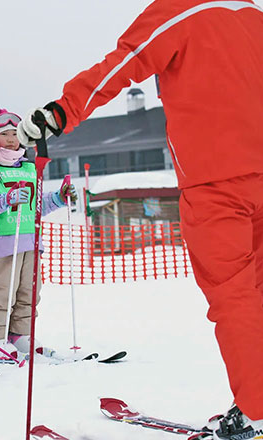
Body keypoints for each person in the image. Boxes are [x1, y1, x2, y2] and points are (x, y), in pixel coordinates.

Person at [16, 1, 263, 438]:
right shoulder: (253, 16)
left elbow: (123, 65)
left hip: (216, 181)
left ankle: (258, 409)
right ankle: (254, 396)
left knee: (235, 297)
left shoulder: (180, 11)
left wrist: (62, 111)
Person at [0, 108, 76, 359]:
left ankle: (20, 335)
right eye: (4, 133)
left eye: (15, 133)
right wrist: (6, 199)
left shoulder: (27, 167)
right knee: (3, 291)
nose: (12, 138)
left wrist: (59, 198)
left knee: (29, 291)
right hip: (2, 240)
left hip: (29, 238)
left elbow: (36, 204)